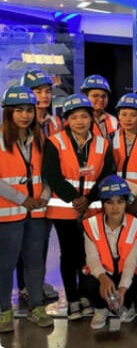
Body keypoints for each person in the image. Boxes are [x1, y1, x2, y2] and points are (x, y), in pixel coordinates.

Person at [42, 93, 115, 320]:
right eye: (74, 117)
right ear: (67, 120)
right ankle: (72, 299)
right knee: (69, 255)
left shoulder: (103, 144)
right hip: (63, 210)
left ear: (92, 118)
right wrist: (75, 199)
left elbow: (106, 174)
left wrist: (87, 199)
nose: (80, 121)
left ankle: (85, 295)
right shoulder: (55, 141)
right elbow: (52, 175)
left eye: (84, 116)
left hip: (92, 210)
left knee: (88, 255)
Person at [0, 85, 53, 332]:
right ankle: (3, 311)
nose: (25, 115)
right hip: (8, 214)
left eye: (29, 110)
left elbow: (49, 172)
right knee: (5, 264)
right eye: (19, 110)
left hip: (37, 213)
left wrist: (44, 195)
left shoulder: (39, 139)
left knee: (35, 262)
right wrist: (22, 200)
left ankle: (37, 306)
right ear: (8, 112)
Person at [19, 69, 61, 301]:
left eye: (47, 91)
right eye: (38, 92)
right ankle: (25, 287)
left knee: (41, 241)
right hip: (24, 195)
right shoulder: (21, 123)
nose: (43, 96)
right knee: (21, 245)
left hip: (48, 194)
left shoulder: (55, 123)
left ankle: (36, 282)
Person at [82, 175, 137, 330]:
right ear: (103, 204)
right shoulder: (91, 224)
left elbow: (131, 262)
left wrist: (123, 287)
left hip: (126, 273)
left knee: (134, 284)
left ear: (126, 203)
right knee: (89, 282)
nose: (114, 207)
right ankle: (101, 308)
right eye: (109, 202)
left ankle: (125, 305)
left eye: (120, 201)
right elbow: (92, 258)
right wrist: (103, 278)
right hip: (104, 272)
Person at [80, 74, 118, 139]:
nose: (100, 99)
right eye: (95, 96)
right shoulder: (77, 120)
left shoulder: (113, 120)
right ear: (85, 97)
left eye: (103, 96)